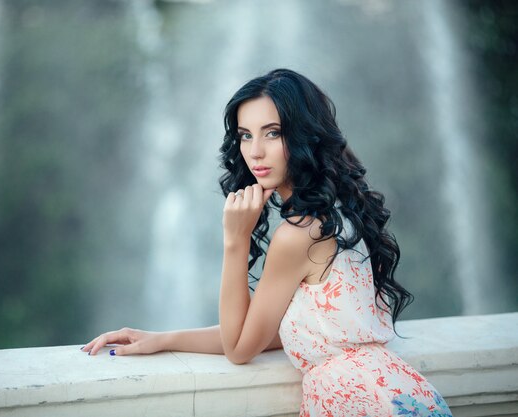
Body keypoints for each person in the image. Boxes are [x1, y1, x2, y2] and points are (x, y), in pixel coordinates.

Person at [82, 68, 453, 417]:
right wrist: (165, 339)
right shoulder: (342, 214)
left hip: (361, 401)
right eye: (246, 135)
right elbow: (269, 333)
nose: (255, 151)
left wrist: (236, 240)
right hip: (400, 394)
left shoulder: (298, 235)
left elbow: (240, 349)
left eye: (272, 132)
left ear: (305, 135)